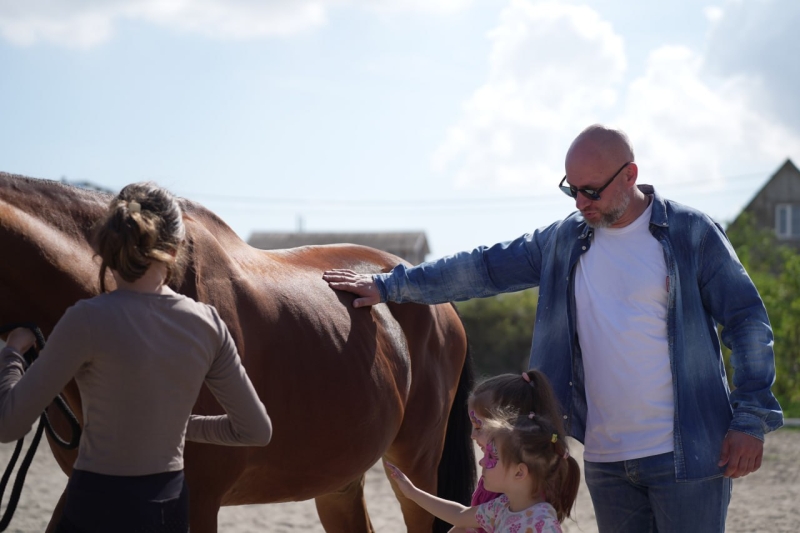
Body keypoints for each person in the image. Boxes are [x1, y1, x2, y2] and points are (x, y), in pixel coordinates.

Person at [323, 124, 784, 532]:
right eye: (572, 191)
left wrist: (750, 419)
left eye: (592, 191)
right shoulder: (565, 240)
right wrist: (390, 286)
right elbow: (482, 268)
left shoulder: (691, 233)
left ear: (629, 174)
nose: (581, 202)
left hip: (689, 458)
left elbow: (747, 321)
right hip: (606, 459)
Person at [0, 182, 272, 533]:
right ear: (175, 249)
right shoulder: (208, 324)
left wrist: (13, 354)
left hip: (93, 509)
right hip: (168, 512)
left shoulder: (85, 320)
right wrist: (175, 424)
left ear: (109, 245)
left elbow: (8, 424)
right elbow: (255, 430)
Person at [386, 412, 580, 533]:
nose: (481, 461)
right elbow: (460, 515)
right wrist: (412, 492)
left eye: (492, 458)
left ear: (519, 473)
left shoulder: (541, 523)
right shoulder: (502, 507)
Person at [460, 370, 567, 533]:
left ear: (507, 427)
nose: (472, 435)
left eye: (479, 427)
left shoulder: (515, 489)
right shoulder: (497, 473)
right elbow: (466, 522)